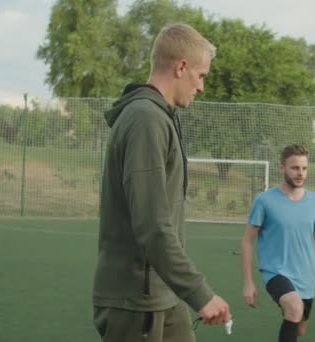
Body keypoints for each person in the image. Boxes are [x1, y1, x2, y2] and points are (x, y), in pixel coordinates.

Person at [92, 23, 231, 342]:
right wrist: (200, 293)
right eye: (202, 76)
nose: (202, 87)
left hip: (162, 294)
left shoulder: (159, 117)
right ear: (181, 67)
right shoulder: (145, 119)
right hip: (136, 301)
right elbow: (152, 224)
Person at [241, 144, 315, 342]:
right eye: (295, 168)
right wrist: (248, 283)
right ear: (282, 168)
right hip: (275, 271)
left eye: (304, 168)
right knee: (294, 307)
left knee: (299, 328)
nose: (300, 173)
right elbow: (247, 241)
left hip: (305, 276)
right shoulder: (264, 201)